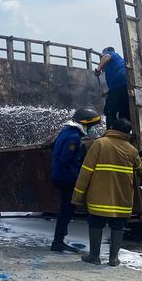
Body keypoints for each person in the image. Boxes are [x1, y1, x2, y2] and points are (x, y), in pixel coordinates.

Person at [72, 118, 142, 266]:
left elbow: (86, 172)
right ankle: (113, 259)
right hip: (122, 200)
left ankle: (94, 256)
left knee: (96, 224)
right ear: (127, 133)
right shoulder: (131, 150)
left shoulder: (100, 144)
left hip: (99, 199)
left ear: (112, 127)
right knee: (118, 226)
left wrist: (78, 196)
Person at [50, 107, 102, 253]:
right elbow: (67, 160)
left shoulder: (66, 131)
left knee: (66, 209)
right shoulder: (74, 137)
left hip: (60, 176)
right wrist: (78, 177)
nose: (92, 129)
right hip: (66, 179)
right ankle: (58, 241)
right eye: (92, 126)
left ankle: (59, 240)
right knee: (66, 210)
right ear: (86, 124)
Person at [94, 46, 130, 129]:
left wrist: (99, 68)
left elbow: (107, 56)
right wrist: (107, 93)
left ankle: (110, 131)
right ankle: (125, 132)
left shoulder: (111, 54)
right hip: (125, 86)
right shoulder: (118, 63)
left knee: (109, 110)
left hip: (119, 85)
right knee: (124, 111)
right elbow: (116, 86)